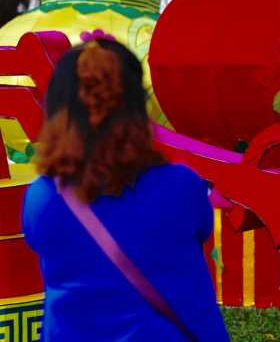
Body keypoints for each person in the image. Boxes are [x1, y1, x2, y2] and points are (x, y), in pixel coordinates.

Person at [22, 39, 229, 341]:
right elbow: (199, 230)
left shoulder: (42, 198)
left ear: (57, 111)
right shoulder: (183, 186)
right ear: (137, 108)